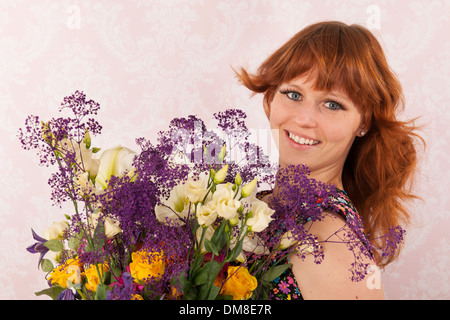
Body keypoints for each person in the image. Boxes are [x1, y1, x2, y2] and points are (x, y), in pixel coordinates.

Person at [236, 21, 424, 300]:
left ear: (364, 122)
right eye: (293, 94)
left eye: (332, 104)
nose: (303, 119)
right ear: (271, 97)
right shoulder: (255, 200)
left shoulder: (330, 247)